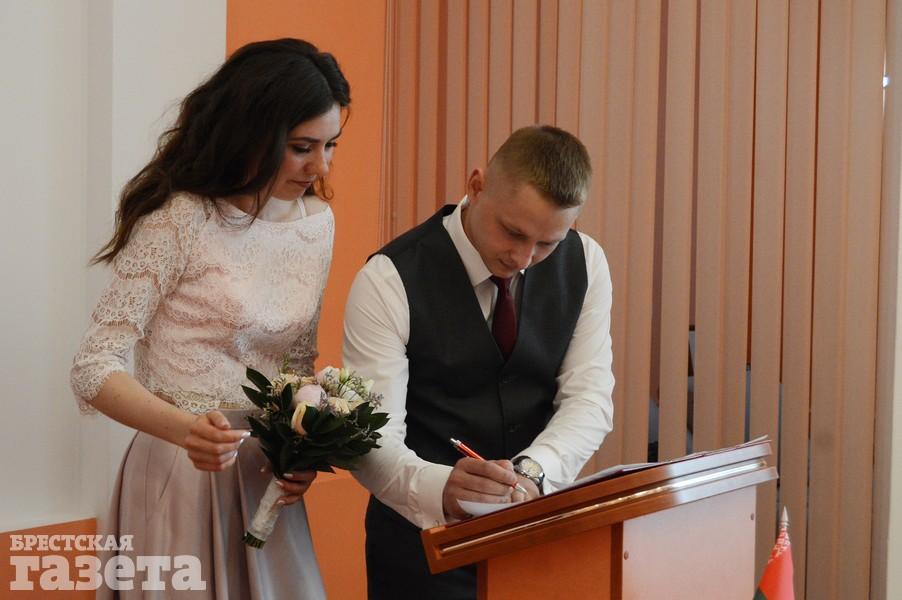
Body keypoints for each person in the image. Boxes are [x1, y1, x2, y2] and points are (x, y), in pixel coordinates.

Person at [70, 38, 350, 598]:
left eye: (330, 146)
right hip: (181, 469)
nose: (319, 166)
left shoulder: (315, 223)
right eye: (302, 147)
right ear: (252, 133)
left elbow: (295, 364)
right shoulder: (180, 218)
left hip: (265, 475)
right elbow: (93, 367)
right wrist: (187, 432)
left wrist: (303, 449)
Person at [343, 125, 615, 599]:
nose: (524, 257)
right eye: (513, 232)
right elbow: (371, 438)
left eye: (548, 243)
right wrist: (440, 487)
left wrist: (533, 472)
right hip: (421, 551)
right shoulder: (388, 279)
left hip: (538, 544)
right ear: (476, 185)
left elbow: (589, 399)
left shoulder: (587, 262)